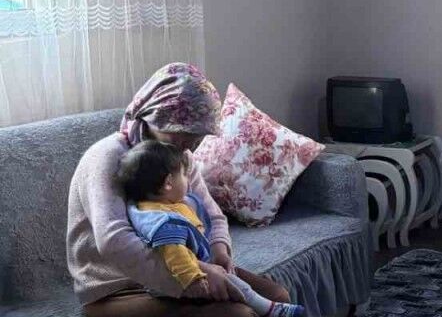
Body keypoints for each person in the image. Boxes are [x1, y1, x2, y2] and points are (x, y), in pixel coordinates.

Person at [68, 62, 292, 317]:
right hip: (117, 288)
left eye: (197, 136)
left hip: (185, 264)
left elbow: (211, 213)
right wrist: (198, 272)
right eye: (182, 133)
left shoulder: (179, 155)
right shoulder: (107, 157)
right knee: (237, 314)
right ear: (154, 115)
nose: (189, 145)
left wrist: (219, 250)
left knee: (277, 296)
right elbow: (114, 241)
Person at [114, 140, 305, 317]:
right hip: (179, 277)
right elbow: (175, 255)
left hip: (189, 266)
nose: (188, 180)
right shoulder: (165, 222)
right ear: (168, 183)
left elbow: (212, 215)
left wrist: (219, 252)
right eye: (184, 174)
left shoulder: (152, 204)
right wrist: (194, 280)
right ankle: (270, 309)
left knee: (267, 289)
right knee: (236, 285)